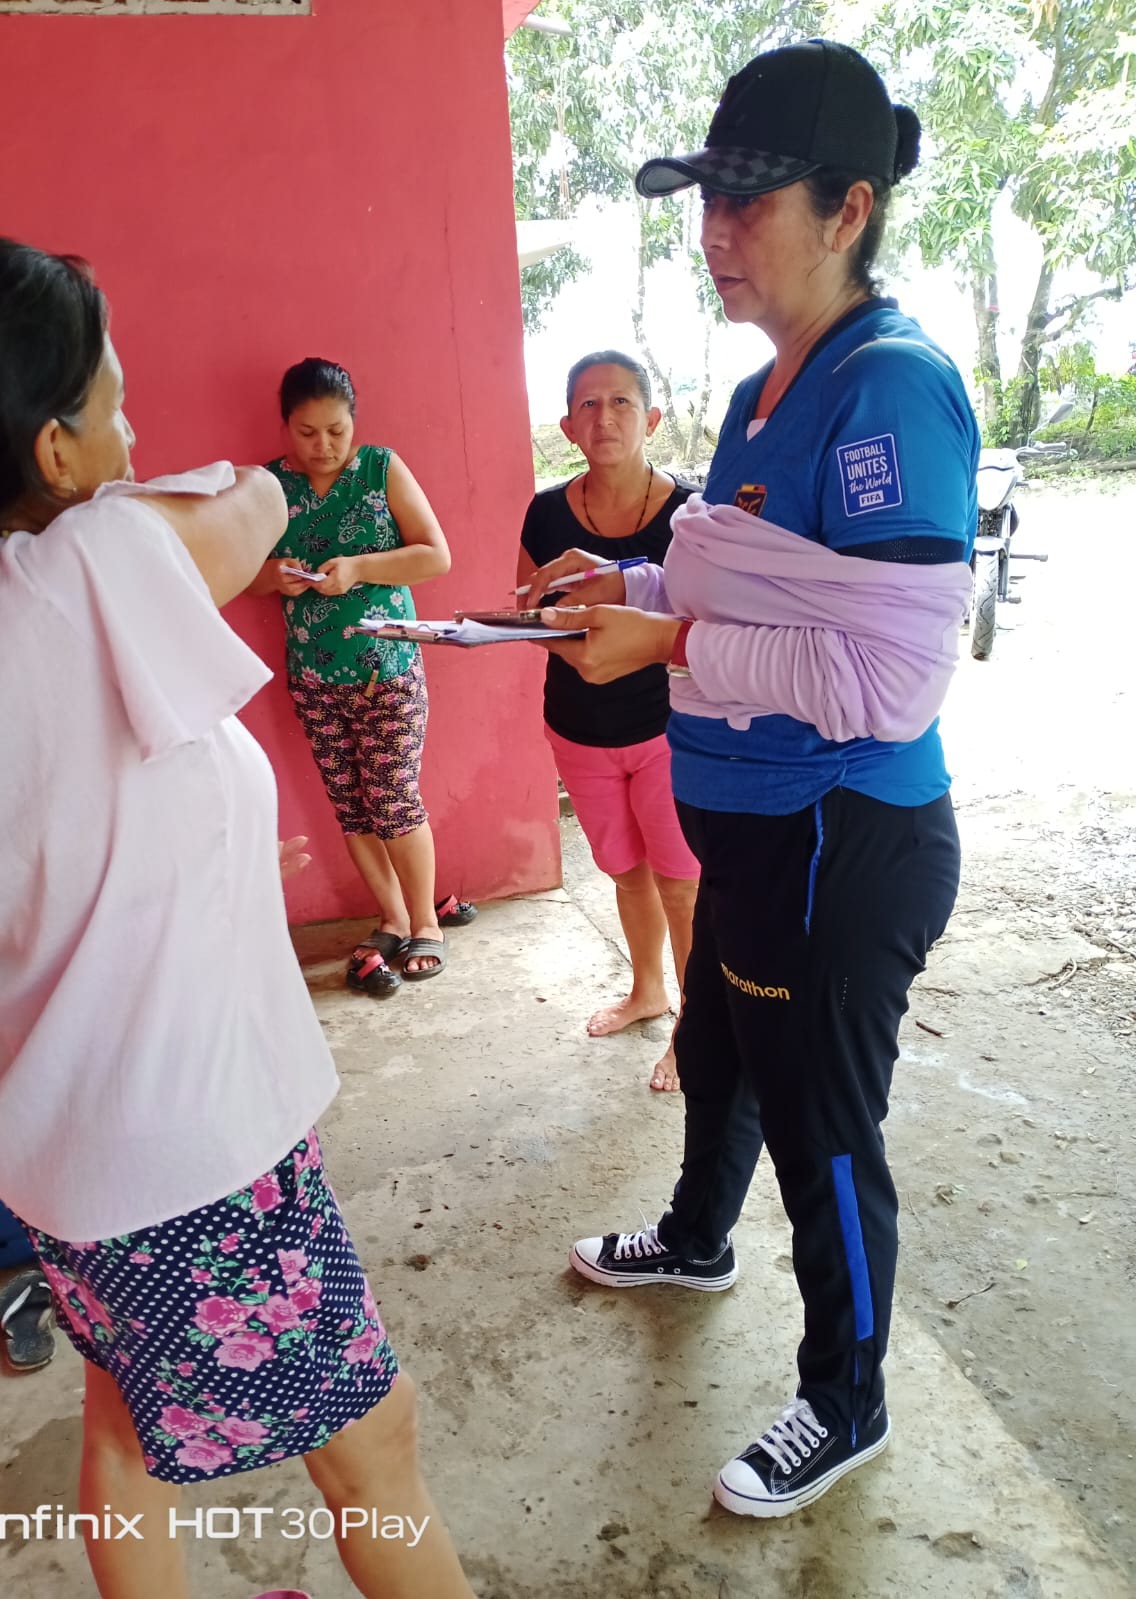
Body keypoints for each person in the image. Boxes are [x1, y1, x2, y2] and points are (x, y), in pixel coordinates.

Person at [0, 236, 474, 1599]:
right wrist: (245, 483)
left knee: (123, 1432)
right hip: (191, 1161)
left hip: (72, 1158)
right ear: (52, 451)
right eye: (116, 408)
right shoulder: (86, 565)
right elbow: (249, 516)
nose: (137, 435)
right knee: (377, 1448)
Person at [525, 41, 977, 1518]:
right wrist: (632, 580)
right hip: (755, 828)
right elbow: (741, 584)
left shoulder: (890, 391)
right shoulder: (757, 393)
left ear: (850, 209)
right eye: (706, 200)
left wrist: (671, 641)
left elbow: (889, 679)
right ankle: (697, 1238)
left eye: (750, 200)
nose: (715, 232)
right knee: (717, 1051)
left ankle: (848, 1397)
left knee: (822, 1128)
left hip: (840, 835)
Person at [246, 359, 474, 995]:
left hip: (387, 671)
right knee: (352, 806)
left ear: (354, 423)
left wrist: (360, 568)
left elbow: (435, 556)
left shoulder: (380, 468)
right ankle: (392, 918)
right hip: (314, 678)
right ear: (286, 426)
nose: (323, 446)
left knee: (393, 799)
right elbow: (243, 573)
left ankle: (426, 922)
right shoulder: (269, 486)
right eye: (307, 432)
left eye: (336, 431)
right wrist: (273, 576)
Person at [517, 353, 698, 1092]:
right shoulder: (545, 513)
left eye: (621, 402)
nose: (604, 418)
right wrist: (575, 646)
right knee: (625, 872)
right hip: (578, 727)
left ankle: (695, 1028)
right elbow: (530, 613)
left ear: (651, 418)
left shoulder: (691, 513)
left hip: (670, 731)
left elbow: (709, 618)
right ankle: (647, 990)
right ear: (568, 427)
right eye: (588, 405)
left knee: (682, 884)